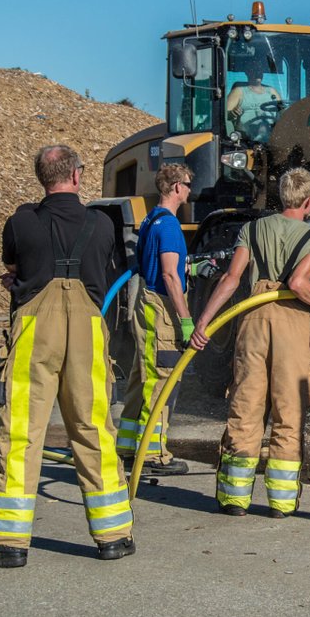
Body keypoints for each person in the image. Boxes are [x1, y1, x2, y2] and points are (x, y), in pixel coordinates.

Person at [0, 145, 133, 567]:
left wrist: (21, 278)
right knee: (93, 429)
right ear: (75, 176)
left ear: (43, 178)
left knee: (22, 433)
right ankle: (115, 535)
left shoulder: (21, 222)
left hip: (36, 330)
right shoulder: (102, 224)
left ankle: (9, 541)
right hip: (89, 332)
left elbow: (17, 262)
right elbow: (101, 268)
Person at [191, 167, 310, 517]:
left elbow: (231, 280)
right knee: (288, 413)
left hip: (253, 320)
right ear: (309, 200)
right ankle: (280, 503)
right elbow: (299, 282)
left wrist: (205, 322)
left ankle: (234, 499)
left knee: (246, 407)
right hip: (292, 322)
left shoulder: (252, 228)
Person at [116, 164, 195, 475]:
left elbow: (164, 266)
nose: (191, 190)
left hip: (146, 303)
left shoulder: (151, 220)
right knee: (161, 380)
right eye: (188, 184)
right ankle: (154, 456)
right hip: (161, 308)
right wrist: (187, 321)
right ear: (176, 187)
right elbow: (168, 276)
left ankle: (126, 446)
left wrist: (188, 269)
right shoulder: (170, 226)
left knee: (141, 377)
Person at [225, 67, 283, 143]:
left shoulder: (271, 91)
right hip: (245, 134)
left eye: (260, 71)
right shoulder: (239, 91)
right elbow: (224, 115)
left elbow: (283, 112)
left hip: (269, 132)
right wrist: (233, 113)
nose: (258, 74)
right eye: (255, 70)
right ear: (247, 72)